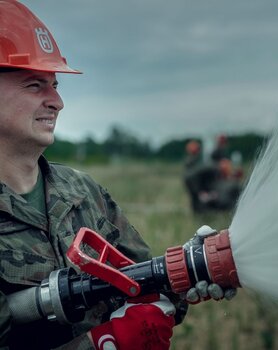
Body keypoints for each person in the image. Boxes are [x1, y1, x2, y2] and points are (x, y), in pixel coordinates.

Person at [0, 1, 235, 349]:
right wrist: (101, 344)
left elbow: (145, 284)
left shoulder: (82, 191)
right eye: (35, 85)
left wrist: (192, 270)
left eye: (55, 85)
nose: (57, 101)